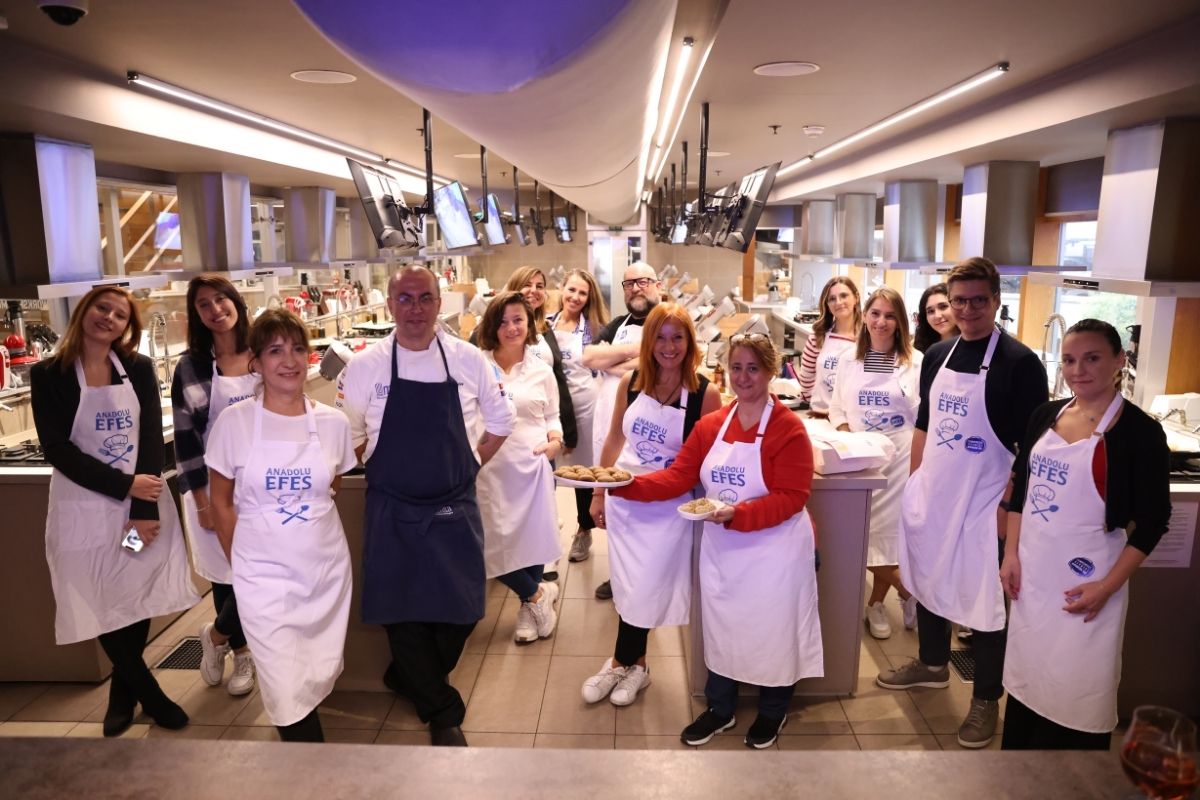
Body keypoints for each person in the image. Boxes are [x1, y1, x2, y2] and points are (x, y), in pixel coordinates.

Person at [612, 334, 821, 749]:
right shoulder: (712, 426)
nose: (744, 377)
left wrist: (737, 514)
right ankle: (720, 708)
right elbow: (678, 477)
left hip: (775, 552)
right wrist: (621, 484)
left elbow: (793, 498)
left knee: (773, 631)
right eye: (737, 368)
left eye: (753, 368)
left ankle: (772, 711)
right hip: (724, 551)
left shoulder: (788, 429)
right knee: (723, 629)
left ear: (769, 372)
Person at [336, 266, 514, 747]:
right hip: (391, 506)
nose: (415, 308)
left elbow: (501, 419)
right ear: (390, 305)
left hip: (453, 505)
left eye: (425, 298)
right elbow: (351, 437)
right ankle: (441, 710)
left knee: (462, 610)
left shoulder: (467, 359)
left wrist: (470, 464)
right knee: (401, 611)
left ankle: (410, 678)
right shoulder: (366, 366)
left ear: (439, 303)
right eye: (405, 298)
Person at [877, 256, 1048, 749]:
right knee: (930, 579)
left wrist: (1007, 511)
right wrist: (916, 485)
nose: (968, 310)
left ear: (996, 301)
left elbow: (1031, 448)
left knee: (984, 601)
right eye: (959, 301)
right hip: (937, 491)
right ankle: (931, 666)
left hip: (985, 502)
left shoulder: (1020, 363)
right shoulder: (940, 356)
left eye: (978, 300)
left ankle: (986, 700)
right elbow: (926, 425)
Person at [32, 286, 198, 737]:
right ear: (84, 312)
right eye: (103, 308)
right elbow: (56, 449)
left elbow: (147, 435)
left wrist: (141, 506)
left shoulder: (138, 369)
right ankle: (148, 691)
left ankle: (122, 694)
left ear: (129, 327)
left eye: (120, 315)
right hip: (83, 511)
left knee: (133, 585)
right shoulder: (49, 374)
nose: (109, 318)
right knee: (96, 591)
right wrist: (122, 484)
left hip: (136, 511)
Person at [1000, 319, 1170, 750]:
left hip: (1090, 582)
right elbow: (1020, 489)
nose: (1079, 369)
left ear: (1119, 361)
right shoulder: (1045, 414)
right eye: (1071, 359)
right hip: (1032, 578)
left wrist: (1107, 587)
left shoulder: (1140, 433)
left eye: (1092, 358)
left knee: (1078, 693)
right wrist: (1011, 555)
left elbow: (1153, 524)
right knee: (1026, 684)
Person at [206, 310, 356, 743]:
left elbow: (331, 487)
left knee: (312, 673)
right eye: (275, 350)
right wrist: (243, 560)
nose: (289, 360)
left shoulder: (333, 423)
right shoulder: (234, 423)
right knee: (285, 687)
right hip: (262, 577)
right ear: (255, 361)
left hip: (323, 572)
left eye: (297, 349)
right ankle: (314, 772)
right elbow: (220, 499)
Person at [582, 303, 721, 706]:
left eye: (678, 337)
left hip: (668, 508)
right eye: (660, 336)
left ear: (690, 342)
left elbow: (706, 461)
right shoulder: (631, 382)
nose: (668, 346)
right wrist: (598, 492)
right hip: (626, 502)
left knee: (645, 587)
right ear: (649, 341)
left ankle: (620, 661)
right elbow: (613, 440)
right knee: (628, 586)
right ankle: (636, 666)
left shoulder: (703, 393)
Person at [171, 274, 258, 696]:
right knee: (227, 577)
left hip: (261, 486)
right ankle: (242, 654)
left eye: (221, 299)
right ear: (197, 315)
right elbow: (186, 438)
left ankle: (217, 636)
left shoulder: (262, 352)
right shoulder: (190, 366)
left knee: (257, 576)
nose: (215, 309)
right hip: (211, 488)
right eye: (204, 304)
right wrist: (203, 502)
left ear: (236, 302)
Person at [829, 287, 922, 639]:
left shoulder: (916, 363)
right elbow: (838, 407)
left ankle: (875, 605)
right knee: (861, 538)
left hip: (901, 460)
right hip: (861, 459)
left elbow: (921, 417)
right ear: (865, 316)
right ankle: (910, 594)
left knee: (890, 538)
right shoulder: (848, 361)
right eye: (875, 313)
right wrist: (849, 438)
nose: (881, 322)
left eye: (889, 315)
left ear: (899, 322)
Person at [474, 291, 563, 643]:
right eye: (504, 321)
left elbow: (552, 415)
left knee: (531, 540)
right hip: (489, 467)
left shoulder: (541, 370)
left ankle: (528, 610)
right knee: (490, 544)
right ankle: (537, 594)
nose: (511, 328)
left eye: (519, 321)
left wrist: (555, 441)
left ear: (529, 325)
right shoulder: (476, 363)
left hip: (531, 464)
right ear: (493, 325)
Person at [581, 261, 661, 600]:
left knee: (646, 510)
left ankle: (650, 578)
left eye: (643, 281)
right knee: (614, 507)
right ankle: (619, 576)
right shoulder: (619, 324)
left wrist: (616, 361)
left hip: (649, 432)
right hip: (611, 425)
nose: (636, 288)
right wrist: (639, 352)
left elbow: (660, 361)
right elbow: (589, 357)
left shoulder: (669, 320)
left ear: (657, 284)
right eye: (629, 284)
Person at [548, 269, 610, 564]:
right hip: (551, 407)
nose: (575, 297)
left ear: (588, 298)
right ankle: (545, 532)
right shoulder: (544, 324)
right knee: (547, 472)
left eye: (582, 293)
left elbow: (610, 365)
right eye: (571, 290)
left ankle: (584, 530)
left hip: (585, 407)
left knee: (583, 472)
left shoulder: (595, 329)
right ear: (561, 289)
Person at [798, 276, 862, 417]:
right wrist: (817, 408)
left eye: (844, 296)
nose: (838, 302)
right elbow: (806, 378)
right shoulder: (817, 338)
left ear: (856, 298)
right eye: (832, 299)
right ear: (827, 305)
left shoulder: (868, 340)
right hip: (820, 417)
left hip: (851, 419)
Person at [913, 282, 959, 353]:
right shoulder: (918, 349)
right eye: (930, 311)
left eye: (943, 307)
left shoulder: (975, 345)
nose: (937, 316)